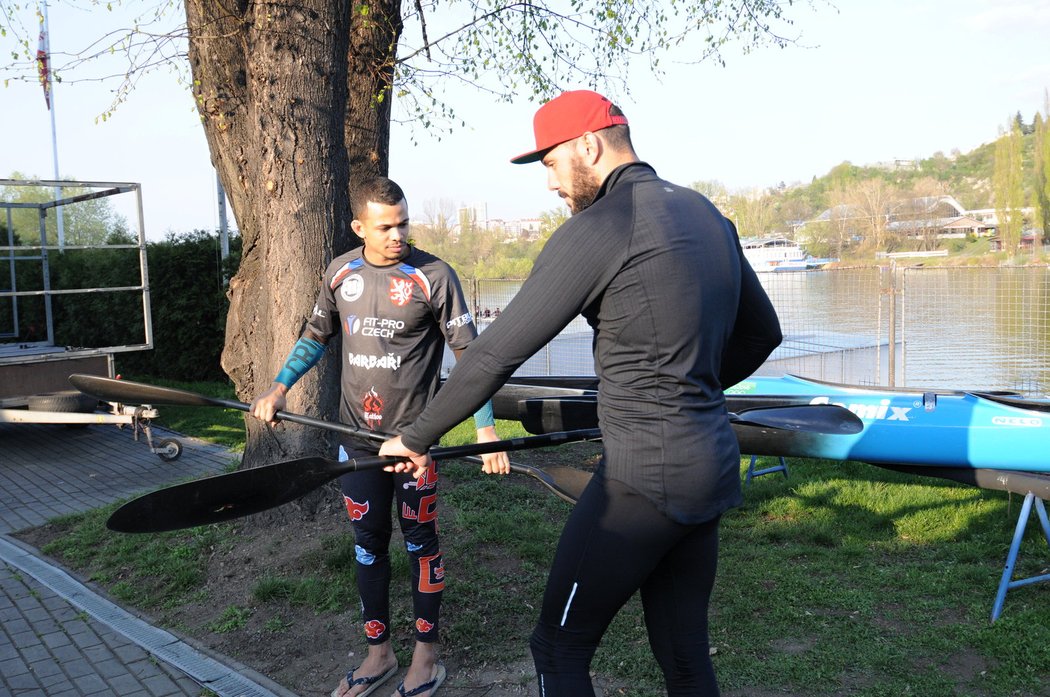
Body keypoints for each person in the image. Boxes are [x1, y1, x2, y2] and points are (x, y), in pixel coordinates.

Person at [379, 90, 783, 696]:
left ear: (588, 146)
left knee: (558, 648)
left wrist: (415, 436)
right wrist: (683, 387)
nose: (550, 184)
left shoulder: (602, 227)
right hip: (711, 466)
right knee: (684, 654)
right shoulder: (706, 215)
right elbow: (762, 333)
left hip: (644, 480)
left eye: (550, 163)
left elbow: (495, 352)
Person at [250, 176, 509, 697]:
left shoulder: (433, 275)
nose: (398, 235)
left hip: (415, 445)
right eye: (386, 226)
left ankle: (426, 659)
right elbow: (315, 337)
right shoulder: (340, 272)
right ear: (359, 227)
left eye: (404, 223)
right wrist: (278, 390)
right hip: (356, 444)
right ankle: (378, 654)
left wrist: (486, 428)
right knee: (368, 546)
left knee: (421, 545)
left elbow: (472, 360)